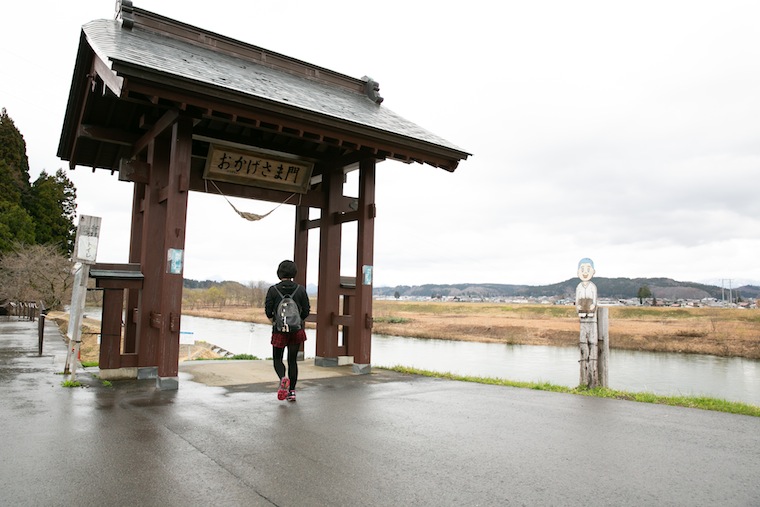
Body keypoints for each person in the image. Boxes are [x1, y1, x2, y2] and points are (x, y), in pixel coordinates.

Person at [264, 260, 310, 402]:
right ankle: (292, 392)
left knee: (277, 359)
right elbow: (306, 310)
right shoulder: (300, 289)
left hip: (279, 330)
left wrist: (276, 321)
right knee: (292, 361)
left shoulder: (273, 290)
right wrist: (298, 321)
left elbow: (268, 311)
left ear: (279, 273)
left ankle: (283, 378)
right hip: (296, 330)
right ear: (293, 273)